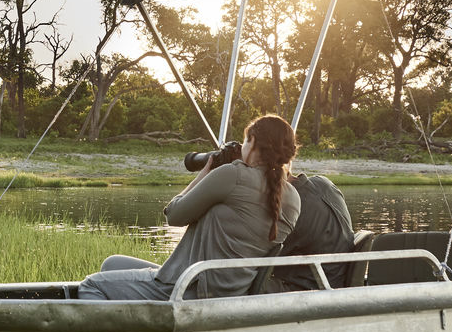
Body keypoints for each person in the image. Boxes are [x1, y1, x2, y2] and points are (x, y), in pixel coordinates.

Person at [78, 115, 302, 300]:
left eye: (245, 142)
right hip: (231, 292)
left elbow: (173, 216)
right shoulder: (293, 198)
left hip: (190, 289)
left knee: (91, 286)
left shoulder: (232, 175)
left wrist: (205, 174)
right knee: (112, 264)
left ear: (252, 142)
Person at [262, 170, 356, 293]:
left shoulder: (291, 208)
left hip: (311, 289)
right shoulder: (324, 182)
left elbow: (262, 256)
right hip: (336, 280)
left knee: (241, 282)